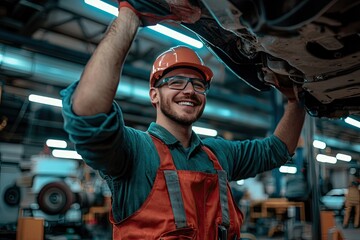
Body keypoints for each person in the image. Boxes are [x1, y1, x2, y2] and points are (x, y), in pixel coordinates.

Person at [61, 2, 306, 239]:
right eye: (176, 82)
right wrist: (129, 17)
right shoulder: (135, 152)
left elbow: (276, 150)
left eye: (198, 84)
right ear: (154, 95)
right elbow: (88, 114)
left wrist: (297, 101)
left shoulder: (217, 154)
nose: (189, 90)